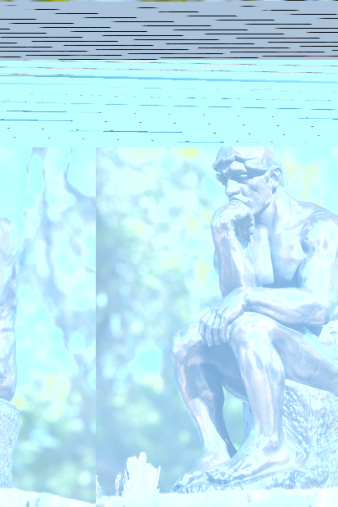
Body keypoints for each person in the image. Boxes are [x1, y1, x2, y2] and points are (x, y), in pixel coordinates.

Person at [172, 147, 338, 490]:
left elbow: (318, 306)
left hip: (327, 354)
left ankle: (272, 447)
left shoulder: (318, 226)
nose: (232, 189)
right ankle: (216, 449)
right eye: (226, 180)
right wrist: (225, 237)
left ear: (274, 179)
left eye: (243, 178)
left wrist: (247, 298)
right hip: (270, 349)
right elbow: (231, 308)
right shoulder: (238, 232)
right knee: (187, 341)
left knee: (252, 326)